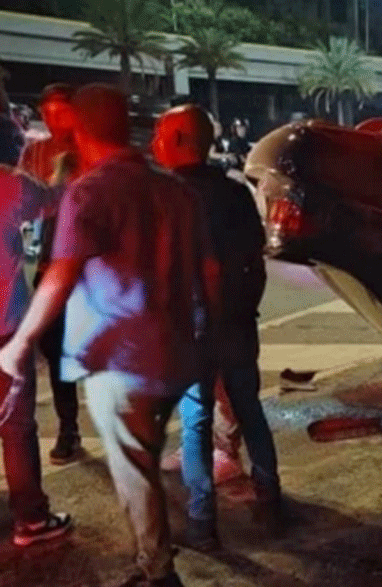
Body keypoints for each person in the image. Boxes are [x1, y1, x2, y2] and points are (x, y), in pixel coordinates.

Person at [0, 84, 220, 587]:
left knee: (134, 472)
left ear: (80, 131)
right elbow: (209, 273)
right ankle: (172, 547)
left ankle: (158, 572)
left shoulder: (89, 192)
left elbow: (60, 273)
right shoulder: (177, 191)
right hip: (177, 352)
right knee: (148, 459)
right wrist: (208, 334)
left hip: (122, 361)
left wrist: (21, 342)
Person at [151, 104, 280, 551]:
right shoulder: (235, 193)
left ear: (179, 140)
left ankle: (202, 521)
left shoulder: (164, 198)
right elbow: (256, 257)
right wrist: (244, 309)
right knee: (249, 408)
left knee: (196, 420)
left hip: (191, 327)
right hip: (237, 322)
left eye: (161, 133)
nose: (154, 142)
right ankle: (270, 496)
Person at [0, 164, 72, 547]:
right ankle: (30, 518)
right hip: (5, 330)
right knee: (16, 427)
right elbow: (53, 199)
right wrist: (62, 171)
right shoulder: (11, 185)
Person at [17, 82, 85, 465]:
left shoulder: (92, 148)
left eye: (61, 112)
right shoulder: (36, 152)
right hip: (52, 263)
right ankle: (69, 427)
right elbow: (25, 206)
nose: (54, 120)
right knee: (55, 346)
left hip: (96, 267)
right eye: (48, 113)